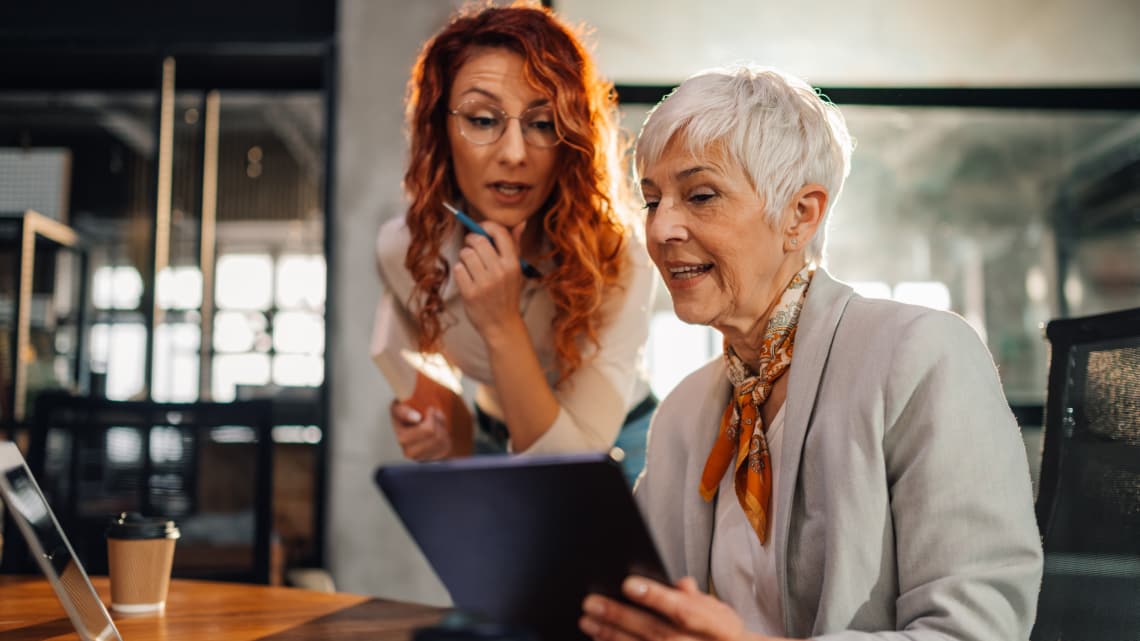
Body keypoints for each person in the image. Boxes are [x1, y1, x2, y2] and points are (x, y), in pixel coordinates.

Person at [579, 66, 1043, 639]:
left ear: (801, 214)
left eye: (700, 196)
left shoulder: (923, 356)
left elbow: (977, 630)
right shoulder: (681, 412)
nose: (663, 228)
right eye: (652, 201)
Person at [370, 4, 656, 484]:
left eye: (542, 124)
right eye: (482, 120)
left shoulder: (618, 256)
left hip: (618, 449)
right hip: (489, 441)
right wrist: (438, 426)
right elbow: (419, 361)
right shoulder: (402, 249)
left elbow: (569, 467)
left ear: (571, 137)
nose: (514, 154)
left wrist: (501, 324)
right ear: (441, 128)